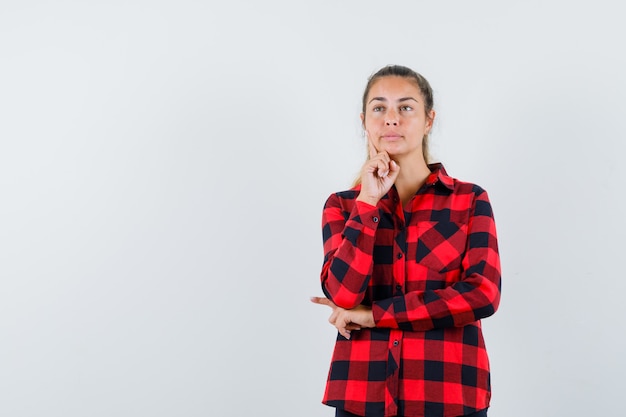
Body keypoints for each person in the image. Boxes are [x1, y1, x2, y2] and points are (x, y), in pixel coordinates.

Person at [311, 65, 501, 417]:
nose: (392, 119)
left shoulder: (469, 200)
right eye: (379, 108)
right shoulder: (343, 206)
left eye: (406, 107)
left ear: (429, 120)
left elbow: (482, 295)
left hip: (449, 394)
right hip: (362, 396)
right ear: (364, 121)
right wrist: (368, 203)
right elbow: (343, 294)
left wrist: (374, 316)